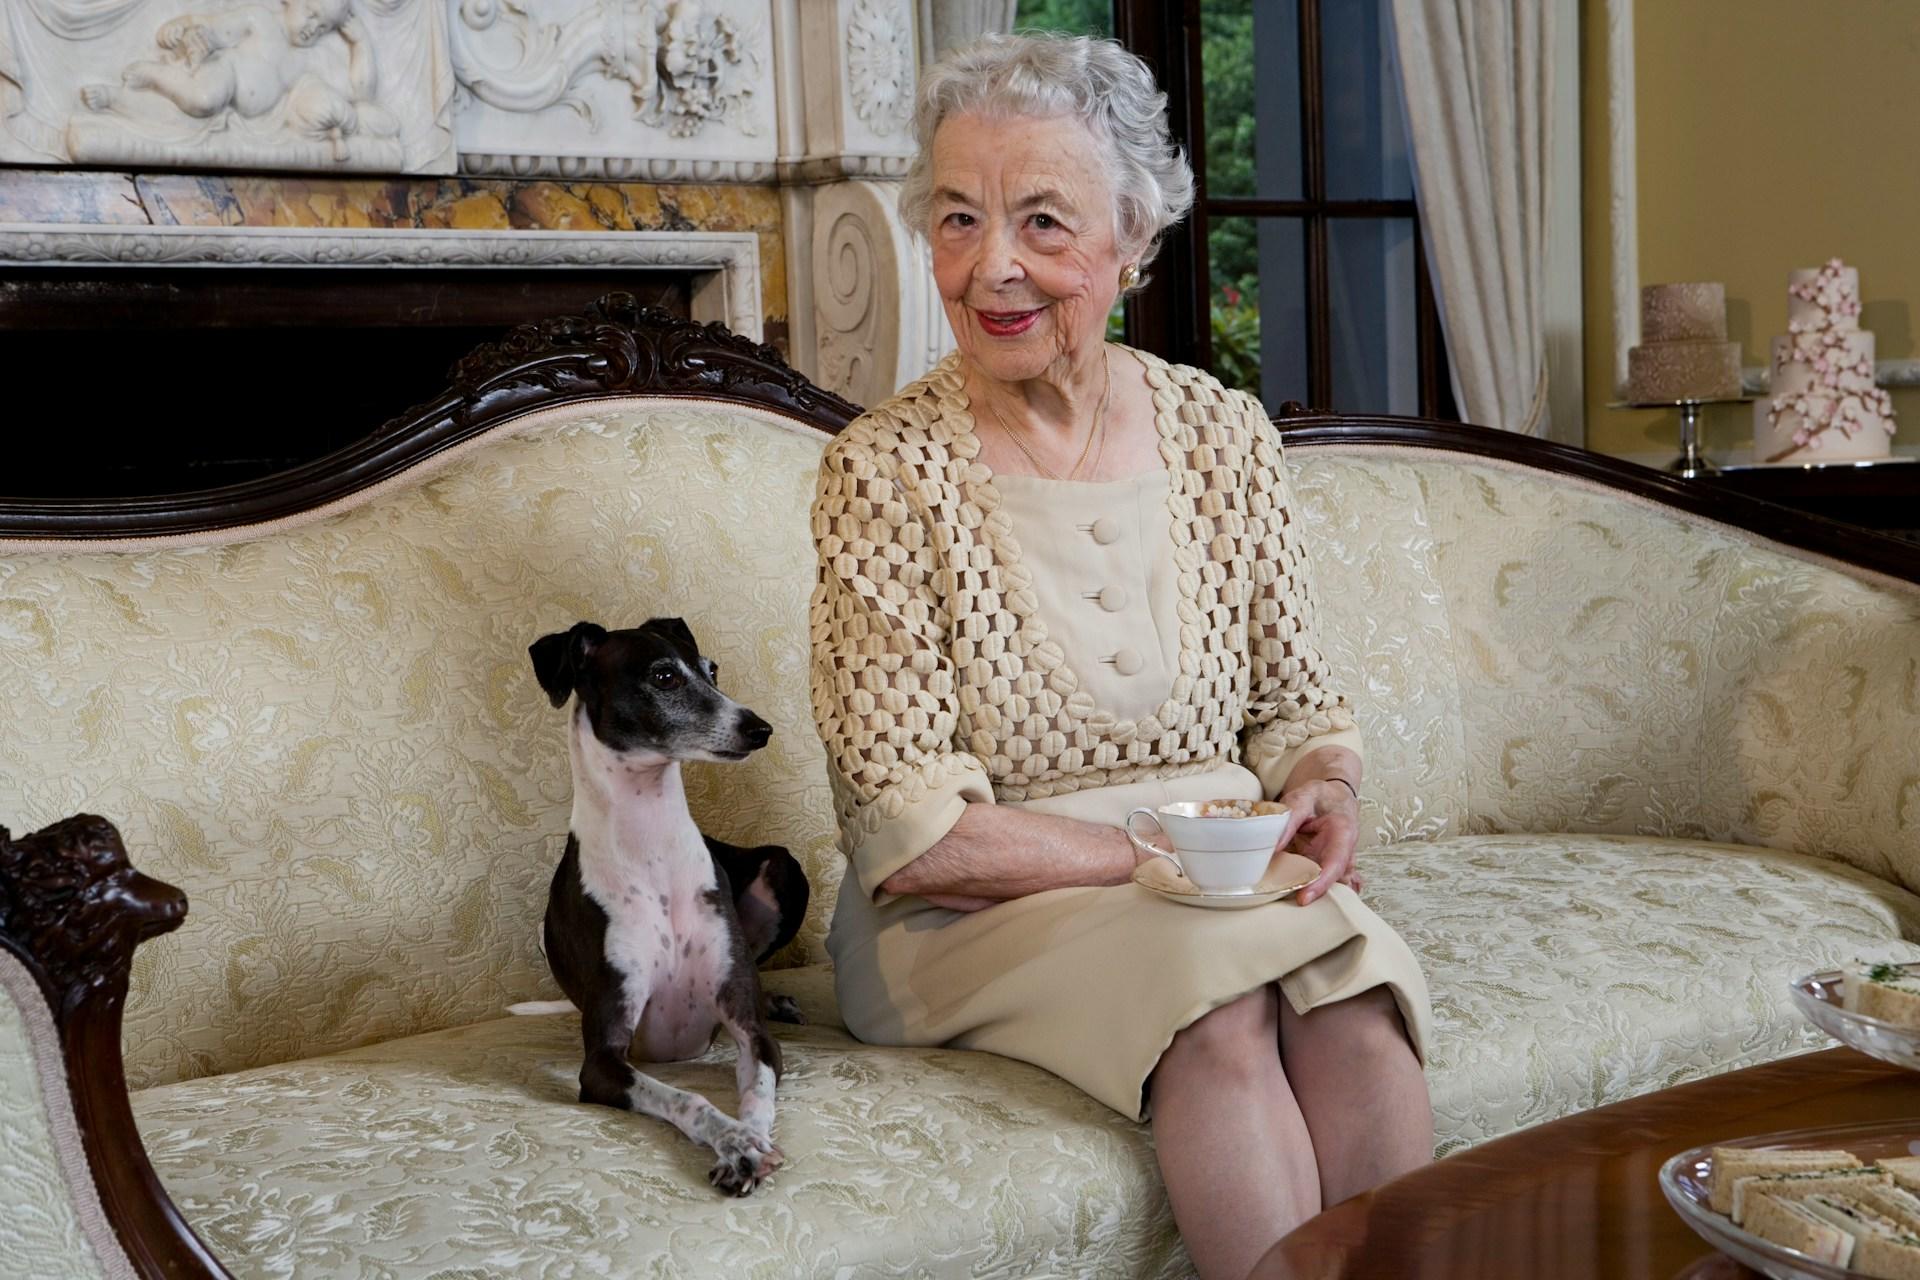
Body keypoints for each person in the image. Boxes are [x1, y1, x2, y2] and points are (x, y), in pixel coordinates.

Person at [806, 32, 1434, 1279]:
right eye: (957, 219)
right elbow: (914, 831)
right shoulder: (881, 469)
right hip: (975, 917)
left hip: (1218, 878)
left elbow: (1298, 700)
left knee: (1354, 1002)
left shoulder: (1221, 431)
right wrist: (1157, 855)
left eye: (1044, 221)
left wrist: (1325, 786)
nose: (993, 268)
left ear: (1135, 239)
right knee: (1221, 1003)